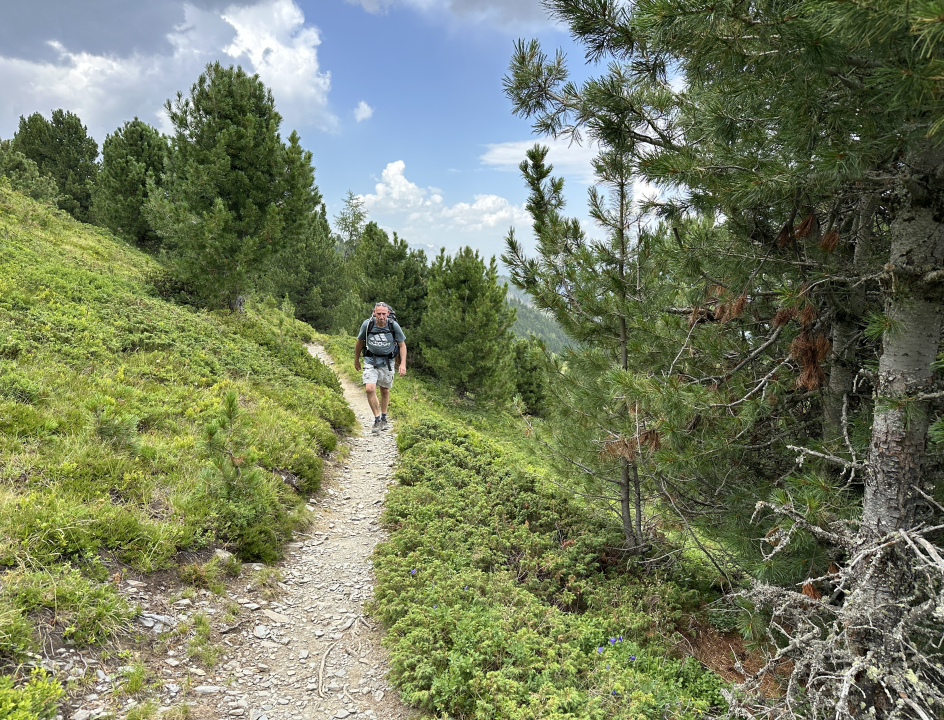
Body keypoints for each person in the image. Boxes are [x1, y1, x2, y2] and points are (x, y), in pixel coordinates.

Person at [354, 302, 407, 433]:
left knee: (384, 390)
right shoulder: (367, 324)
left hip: (387, 362)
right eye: (379, 314)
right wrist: (356, 359)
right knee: (369, 388)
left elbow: (402, 345)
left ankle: (384, 417)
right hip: (370, 360)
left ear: (388, 314)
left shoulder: (393, 325)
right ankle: (377, 420)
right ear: (374, 313)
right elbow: (359, 342)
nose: (381, 316)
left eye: (384, 314)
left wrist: (403, 363)